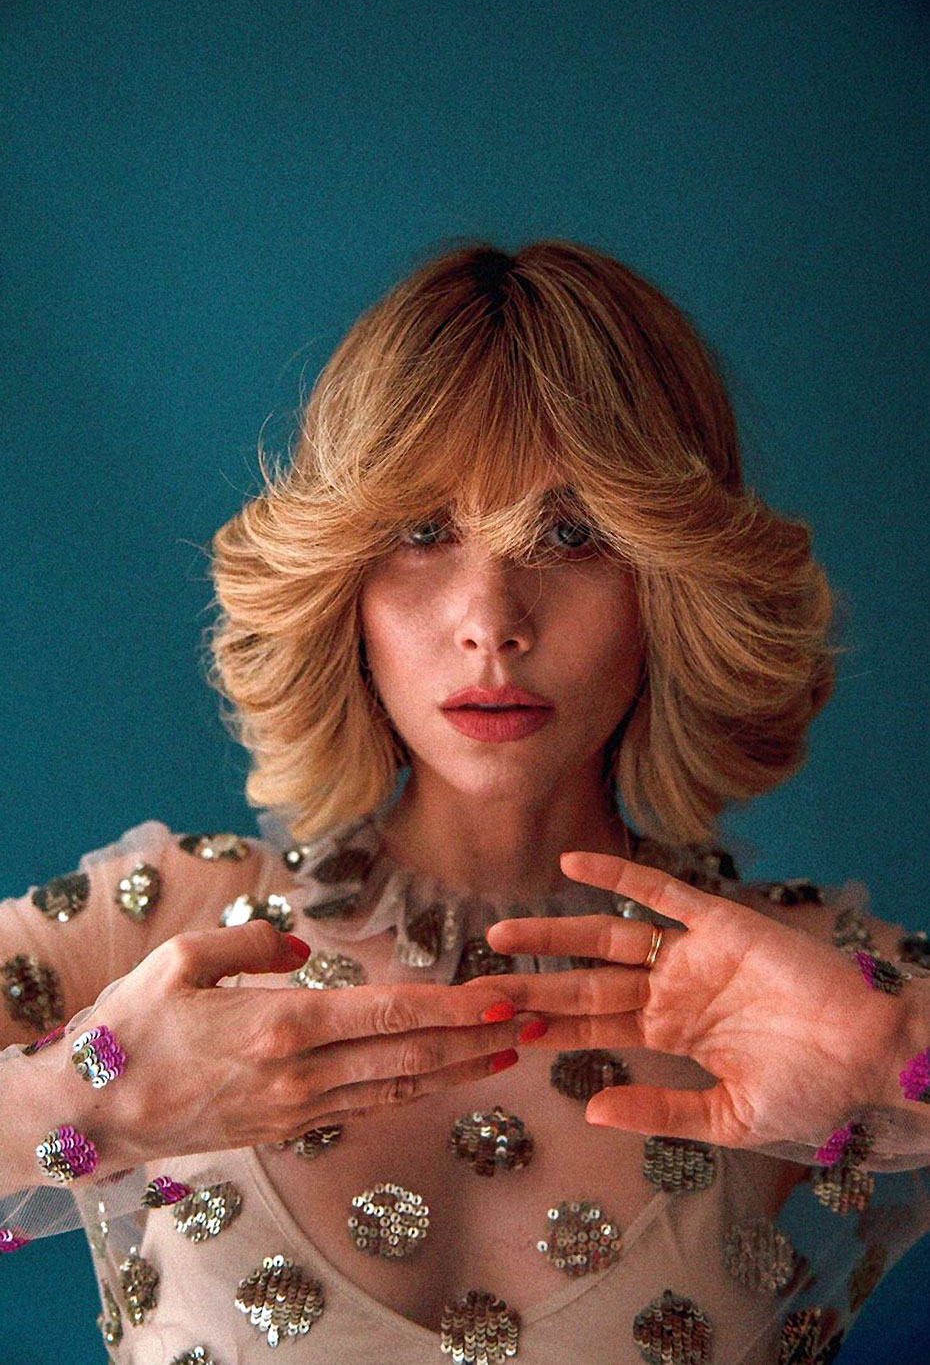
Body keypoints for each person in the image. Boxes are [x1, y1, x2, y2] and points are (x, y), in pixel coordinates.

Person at [2, 239, 929, 1365]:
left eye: (571, 535)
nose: (491, 620)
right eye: (423, 532)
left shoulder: (809, 987)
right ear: (344, 580)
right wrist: (83, 1095)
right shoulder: (171, 929)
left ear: (670, 583)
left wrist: (899, 1053)